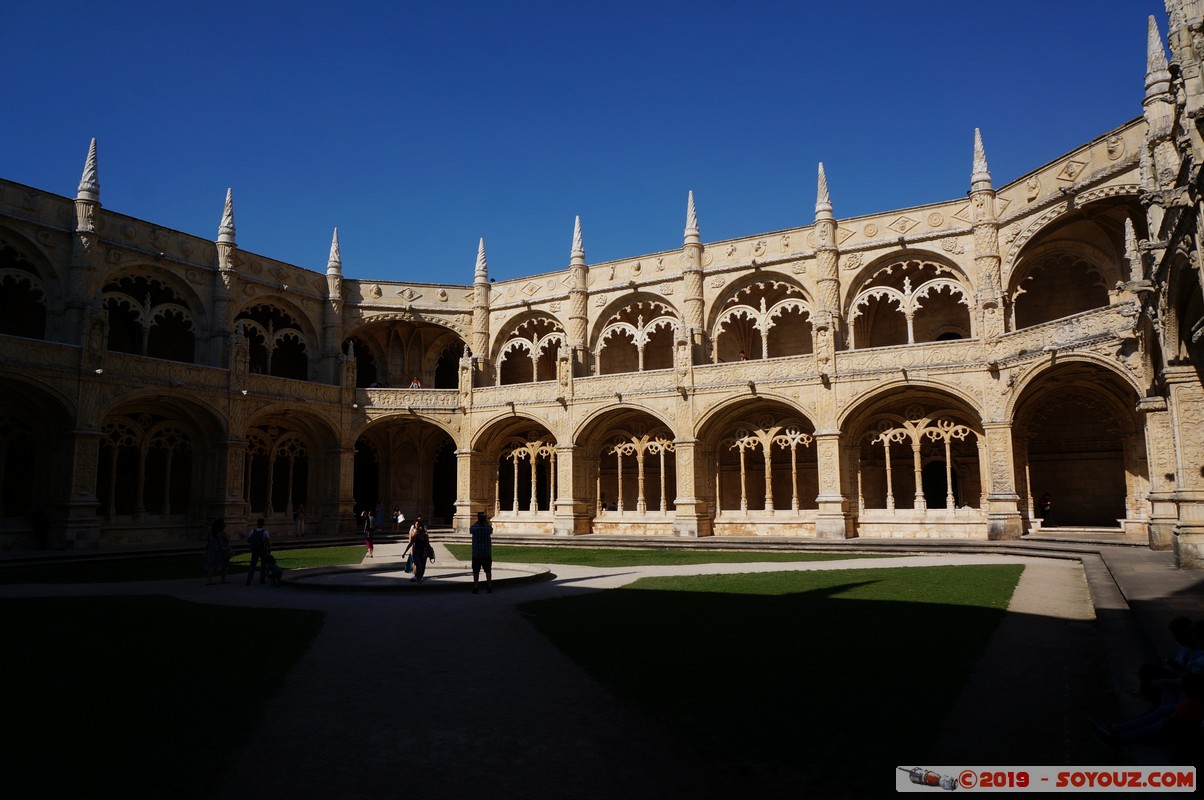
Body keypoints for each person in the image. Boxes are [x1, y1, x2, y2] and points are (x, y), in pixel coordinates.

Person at [469, 511, 493, 594]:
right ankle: (489, 587)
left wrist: (478, 521)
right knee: (488, 571)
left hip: (477, 553)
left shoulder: (474, 528)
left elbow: (470, 529)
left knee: (476, 571)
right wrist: (485, 521)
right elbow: (491, 530)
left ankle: (476, 587)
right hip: (486, 553)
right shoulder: (488, 528)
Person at [204, 518, 232, 585]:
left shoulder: (210, 532)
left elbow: (207, 539)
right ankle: (223, 580)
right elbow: (227, 540)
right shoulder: (221, 533)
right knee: (224, 565)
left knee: (211, 565)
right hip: (221, 551)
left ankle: (209, 580)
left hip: (212, 550)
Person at [245, 518, 270, 585]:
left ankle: (249, 578)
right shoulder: (265, 532)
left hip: (255, 549)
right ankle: (262, 580)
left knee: (252, 565)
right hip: (262, 549)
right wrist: (269, 549)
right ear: (263, 524)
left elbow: (248, 540)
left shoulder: (252, 531)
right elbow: (267, 541)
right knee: (263, 565)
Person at [408, 517, 431, 583]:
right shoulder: (415, 534)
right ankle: (416, 576)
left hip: (423, 552)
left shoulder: (425, 535)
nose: (418, 526)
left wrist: (428, 552)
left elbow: (427, 544)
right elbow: (410, 543)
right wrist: (407, 551)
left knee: (422, 565)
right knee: (417, 564)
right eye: (417, 524)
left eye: (419, 525)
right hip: (417, 551)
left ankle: (420, 577)